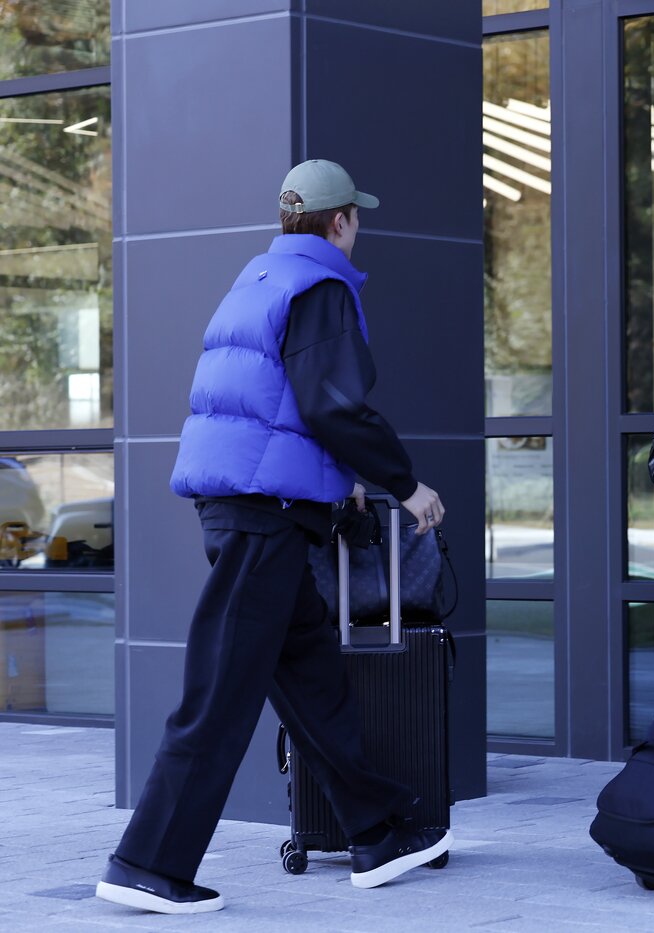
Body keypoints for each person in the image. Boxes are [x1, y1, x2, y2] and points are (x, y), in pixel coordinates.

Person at [96, 160, 451, 914]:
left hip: (259, 511)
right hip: (261, 515)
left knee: (314, 683)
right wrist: (403, 482)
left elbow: (277, 402)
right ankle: (146, 863)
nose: (358, 231)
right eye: (357, 218)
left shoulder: (258, 278)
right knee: (220, 694)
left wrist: (339, 483)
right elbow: (333, 405)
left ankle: (377, 831)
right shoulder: (320, 287)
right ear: (340, 222)